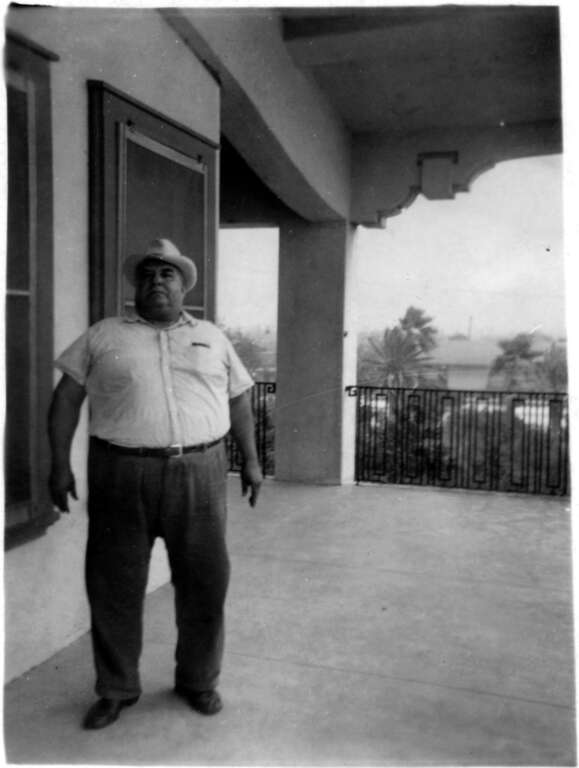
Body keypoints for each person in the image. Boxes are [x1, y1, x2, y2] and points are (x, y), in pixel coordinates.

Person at [48, 237, 263, 730]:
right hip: (121, 472)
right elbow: (65, 401)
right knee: (114, 585)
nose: (156, 282)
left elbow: (239, 402)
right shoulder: (103, 335)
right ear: (136, 286)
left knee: (206, 581)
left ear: (183, 285)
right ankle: (116, 687)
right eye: (147, 274)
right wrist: (59, 464)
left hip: (201, 472)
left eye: (167, 274)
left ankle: (198, 680)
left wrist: (251, 462)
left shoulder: (213, 337)